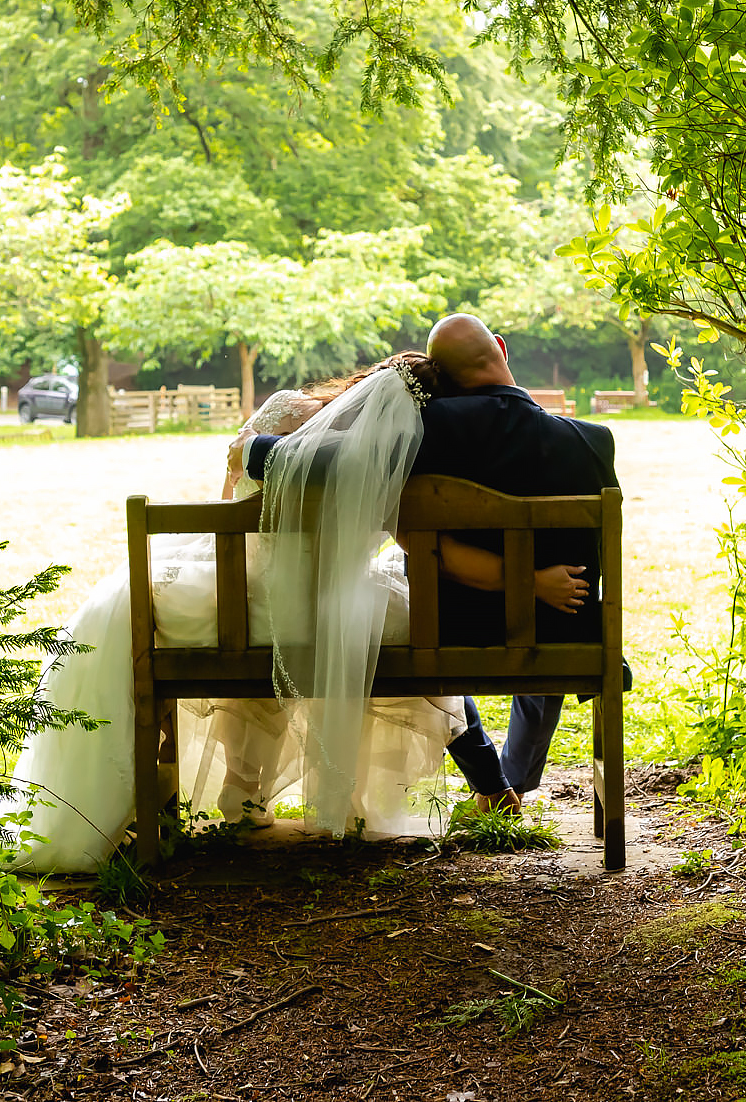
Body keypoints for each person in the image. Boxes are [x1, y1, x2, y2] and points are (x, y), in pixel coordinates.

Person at [0, 352, 589, 870]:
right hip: (331, 600)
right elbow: (417, 543)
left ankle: (199, 801)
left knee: (272, 613)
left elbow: (227, 495)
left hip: (235, 589)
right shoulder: (390, 457)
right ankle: (489, 783)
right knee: (408, 620)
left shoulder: (281, 411)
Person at [239, 314, 620, 814]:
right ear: (501, 349)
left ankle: (498, 780)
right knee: (556, 605)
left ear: (440, 375)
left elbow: (321, 464)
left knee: (400, 572)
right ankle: (513, 779)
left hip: (448, 626)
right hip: (562, 623)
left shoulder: (424, 427)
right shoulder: (593, 441)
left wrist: (252, 449)